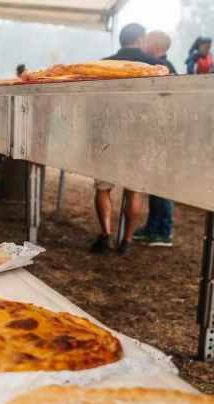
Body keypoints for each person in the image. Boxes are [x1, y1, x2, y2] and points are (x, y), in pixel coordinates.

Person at [90, 23, 158, 255]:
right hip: (140, 135)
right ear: (140, 39)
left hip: (108, 134)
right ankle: (127, 241)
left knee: (103, 188)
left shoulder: (102, 65)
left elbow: (93, 103)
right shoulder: (155, 65)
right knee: (134, 191)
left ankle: (106, 235)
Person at [134, 30, 178, 247]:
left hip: (163, 134)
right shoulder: (156, 66)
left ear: (155, 44)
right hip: (155, 133)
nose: (143, 43)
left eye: (147, 40)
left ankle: (165, 231)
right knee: (153, 184)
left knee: (162, 186)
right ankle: (152, 228)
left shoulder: (165, 68)